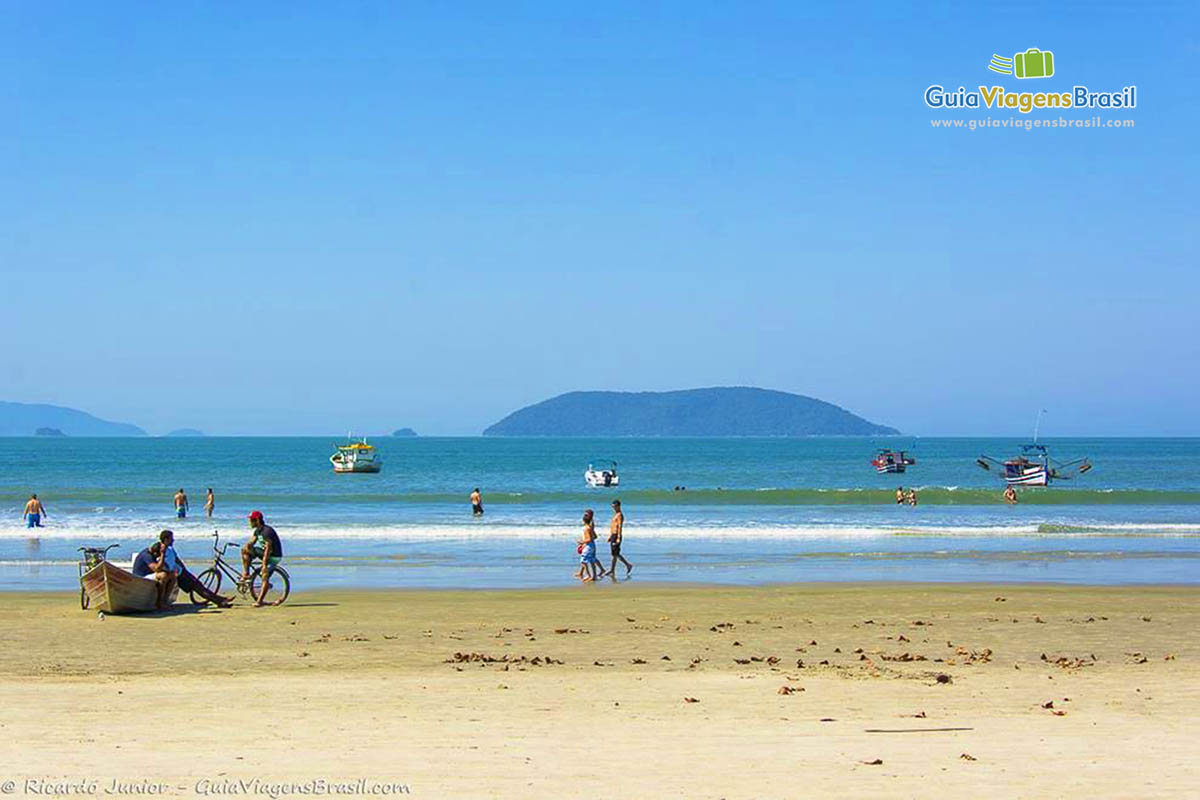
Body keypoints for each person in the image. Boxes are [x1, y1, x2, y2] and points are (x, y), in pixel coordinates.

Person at [133, 529, 233, 608]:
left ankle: (219, 599)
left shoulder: (169, 549)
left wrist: (184, 571)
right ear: (166, 539)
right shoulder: (158, 550)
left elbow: (176, 560)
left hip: (179, 572)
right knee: (197, 586)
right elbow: (159, 567)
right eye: (171, 538)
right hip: (172, 574)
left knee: (197, 585)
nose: (173, 540)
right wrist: (165, 558)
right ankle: (219, 601)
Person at [242, 510, 284, 607]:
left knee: (264, 575)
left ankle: (259, 601)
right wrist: (247, 547)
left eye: (251, 520)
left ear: (257, 520)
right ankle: (246, 573)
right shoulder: (257, 531)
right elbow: (250, 543)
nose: (250, 522)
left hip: (273, 556)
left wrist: (264, 565)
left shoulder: (266, 532)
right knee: (244, 550)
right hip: (265, 553)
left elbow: (268, 550)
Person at [605, 499, 633, 578]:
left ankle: (628, 565)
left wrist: (618, 537)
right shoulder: (616, 515)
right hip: (613, 535)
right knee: (614, 554)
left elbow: (619, 527)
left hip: (617, 535)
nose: (613, 508)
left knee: (615, 554)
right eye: (613, 507)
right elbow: (613, 526)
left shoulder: (620, 515)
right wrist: (611, 536)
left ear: (618, 506)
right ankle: (612, 570)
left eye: (615, 506)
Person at [575, 509, 602, 582]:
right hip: (591, 545)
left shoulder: (586, 528)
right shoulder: (589, 527)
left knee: (583, 561)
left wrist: (582, 542)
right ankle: (594, 576)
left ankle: (589, 575)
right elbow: (594, 536)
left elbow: (589, 538)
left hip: (588, 545)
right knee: (592, 561)